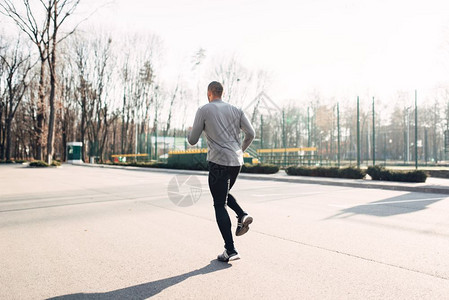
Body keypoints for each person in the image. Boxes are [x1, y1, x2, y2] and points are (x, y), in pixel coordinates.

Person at [188, 81, 255, 262]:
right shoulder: (237, 109)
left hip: (218, 162)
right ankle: (242, 214)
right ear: (222, 93)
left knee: (219, 203)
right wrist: (240, 150)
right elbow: (251, 133)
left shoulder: (204, 109)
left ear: (209, 93)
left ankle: (230, 250)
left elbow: (193, 140)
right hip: (236, 162)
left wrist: (190, 132)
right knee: (224, 194)